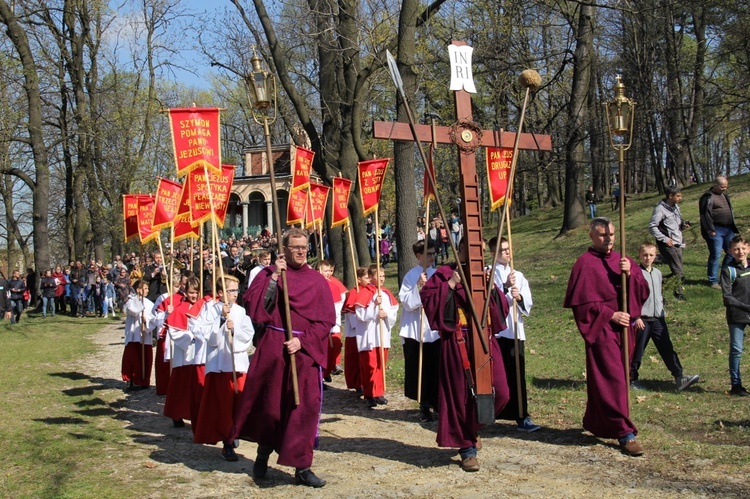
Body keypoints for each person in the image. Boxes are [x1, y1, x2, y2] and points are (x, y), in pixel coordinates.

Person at [231, 228, 335, 488]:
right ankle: (263, 454)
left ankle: (302, 466)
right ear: (284, 250)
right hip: (274, 350)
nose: (300, 251)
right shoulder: (269, 274)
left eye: (304, 247)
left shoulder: (317, 280)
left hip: (304, 353)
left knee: (304, 409)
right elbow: (256, 309)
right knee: (271, 407)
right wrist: (276, 276)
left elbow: (326, 321)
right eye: (295, 247)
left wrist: (303, 341)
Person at [420, 237, 510, 472]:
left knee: (501, 392)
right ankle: (467, 449)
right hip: (457, 340)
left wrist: (492, 287)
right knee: (461, 397)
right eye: (471, 249)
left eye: (479, 250)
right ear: (460, 249)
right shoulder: (444, 273)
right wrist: (449, 285)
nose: (476, 254)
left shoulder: (484, 273)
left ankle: (471, 429)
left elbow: (501, 309)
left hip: (484, 340)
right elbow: (428, 300)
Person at [564, 217, 650, 457]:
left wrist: (631, 274)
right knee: (613, 379)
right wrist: (610, 314)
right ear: (592, 236)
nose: (609, 238)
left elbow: (643, 292)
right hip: (602, 329)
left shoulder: (624, 261)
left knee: (617, 377)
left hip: (625, 330)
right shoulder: (584, 264)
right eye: (603, 235)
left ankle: (597, 421)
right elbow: (581, 306)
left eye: (611, 234)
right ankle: (625, 432)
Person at [193, 275, 254, 461]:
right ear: (220, 293)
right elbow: (203, 333)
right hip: (219, 364)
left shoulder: (241, 311)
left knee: (238, 402)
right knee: (222, 406)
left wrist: (234, 330)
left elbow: (248, 334)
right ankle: (226, 442)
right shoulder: (210, 309)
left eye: (236, 290)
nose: (235, 293)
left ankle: (235, 432)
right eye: (231, 290)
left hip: (236, 364)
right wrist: (220, 321)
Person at [487, 236, 541, 432]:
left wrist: (520, 297)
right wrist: (505, 288)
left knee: (517, 374)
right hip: (495, 333)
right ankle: (491, 412)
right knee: (495, 376)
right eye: (503, 250)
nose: (508, 252)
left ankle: (521, 415)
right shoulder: (487, 273)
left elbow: (527, 301)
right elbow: (489, 301)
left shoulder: (518, 274)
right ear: (493, 253)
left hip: (514, 329)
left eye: (509, 248)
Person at [630, 243, 700, 391]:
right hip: (643, 319)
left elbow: (659, 294)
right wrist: (636, 317)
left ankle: (679, 377)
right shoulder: (636, 273)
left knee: (667, 347)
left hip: (658, 319)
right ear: (639, 255)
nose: (647, 258)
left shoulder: (657, 273)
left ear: (655, 256)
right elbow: (632, 297)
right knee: (637, 350)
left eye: (651, 255)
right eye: (645, 255)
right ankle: (631, 378)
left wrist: (661, 309)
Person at [398, 240, 440, 421]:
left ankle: (437, 401)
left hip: (434, 329)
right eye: (428, 254)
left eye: (433, 253)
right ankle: (424, 404)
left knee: (435, 368)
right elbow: (407, 302)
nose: (432, 257)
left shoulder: (436, 274)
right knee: (420, 368)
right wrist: (419, 288)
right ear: (419, 256)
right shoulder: (412, 276)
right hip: (416, 329)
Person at [163, 276, 206, 428]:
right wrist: (192, 336)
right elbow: (174, 333)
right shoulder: (180, 309)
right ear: (186, 292)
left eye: (196, 292)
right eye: (191, 292)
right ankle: (176, 413)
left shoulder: (204, 307)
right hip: (185, 353)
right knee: (181, 386)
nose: (194, 295)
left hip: (202, 352)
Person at [355, 264, 398, 409]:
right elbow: (360, 314)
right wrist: (374, 307)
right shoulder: (365, 292)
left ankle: (379, 392)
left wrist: (386, 314)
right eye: (378, 276)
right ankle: (369, 394)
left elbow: (394, 310)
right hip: (369, 336)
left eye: (383, 276)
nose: (382, 279)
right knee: (370, 366)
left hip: (382, 335)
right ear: (371, 277)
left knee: (381, 365)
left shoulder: (385, 293)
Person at [721, 236, 750, 396]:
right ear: (731, 251)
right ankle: (736, 385)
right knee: (736, 349)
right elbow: (727, 297)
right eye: (736, 249)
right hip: (736, 315)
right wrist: (746, 307)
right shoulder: (728, 270)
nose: (740, 252)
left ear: (748, 249)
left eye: (743, 248)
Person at [649, 186, 689, 300]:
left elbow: (674, 224)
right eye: (678, 196)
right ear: (670, 196)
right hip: (667, 245)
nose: (680, 198)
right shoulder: (660, 209)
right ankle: (678, 293)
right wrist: (664, 239)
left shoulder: (675, 207)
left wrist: (683, 225)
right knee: (678, 271)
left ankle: (657, 283)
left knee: (679, 270)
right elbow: (652, 226)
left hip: (678, 242)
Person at [700, 176, 739, 289]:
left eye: (726, 186)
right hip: (715, 229)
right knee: (716, 254)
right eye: (722, 186)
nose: (724, 189)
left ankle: (725, 276)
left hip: (728, 229)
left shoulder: (724, 195)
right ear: (715, 185)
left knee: (732, 252)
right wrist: (709, 229)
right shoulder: (707, 197)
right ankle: (713, 280)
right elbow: (704, 216)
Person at [121, 280, 155, 390]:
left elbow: (154, 318)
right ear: (138, 290)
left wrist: (147, 320)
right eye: (145, 288)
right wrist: (141, 306)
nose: (147, 290)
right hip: (133, 335)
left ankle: (143, 380)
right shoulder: (131, 301)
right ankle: (131, 379)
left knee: (144, 358)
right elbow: (133, 310)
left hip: (144, 334)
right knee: (132, 358)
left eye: (147, 288)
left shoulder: (149, 303)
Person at [317, 260, 347, 383]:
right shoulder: (315, 284)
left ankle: (327, 370)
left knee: (335, 346)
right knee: (322, 349)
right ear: (319, 271)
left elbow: (338, 303)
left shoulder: (333, 285)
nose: (328, 273)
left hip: (332, 320)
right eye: (325, 271)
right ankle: (320, 375)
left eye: (329, 271)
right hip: (319, 322)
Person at [342, 268, 370, 393]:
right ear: (359, 279)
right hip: (354, 332)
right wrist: (358, 325)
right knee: (355, 359)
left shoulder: (369, 291)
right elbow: (350, 314)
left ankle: (365, 382)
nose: (369, 280)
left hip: (366, 331)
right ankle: (357, 384)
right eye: (366, 278)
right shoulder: (354, 293)